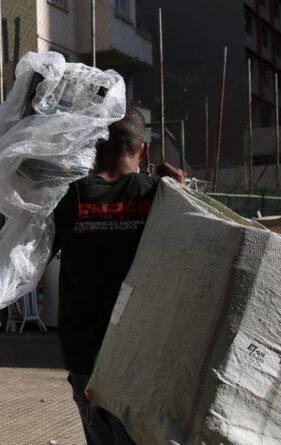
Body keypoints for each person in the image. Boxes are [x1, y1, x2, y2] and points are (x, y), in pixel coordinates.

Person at [51, 109, 183, 444]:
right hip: (143, 355)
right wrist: (179, 190)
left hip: (85, 355)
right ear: (145, 150)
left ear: (95, 146)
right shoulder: (161, 196)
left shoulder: (67, 198)